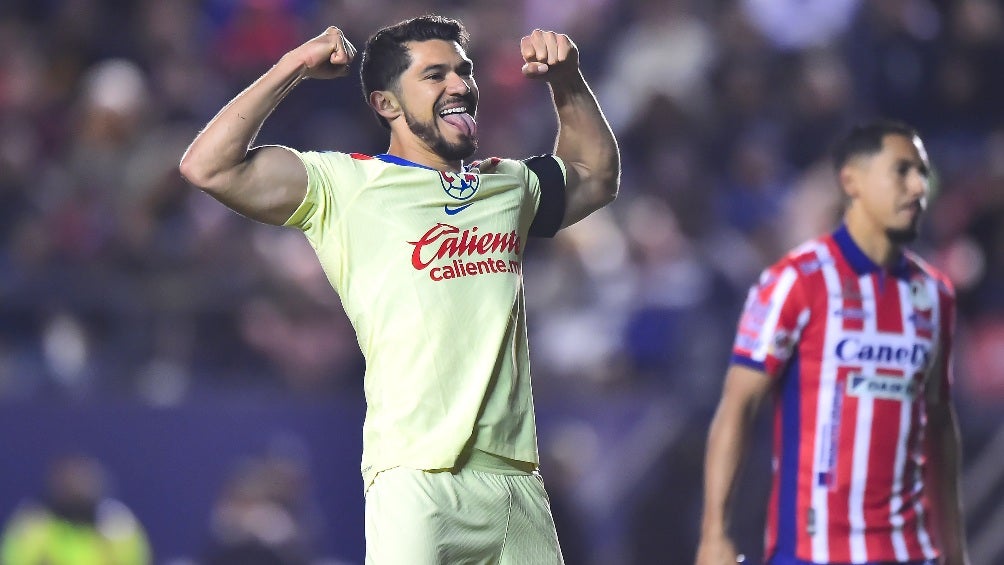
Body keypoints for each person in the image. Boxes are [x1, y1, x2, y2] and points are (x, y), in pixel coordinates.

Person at [179, 14, 619, 564]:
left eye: (463, 72)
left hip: (515, 483)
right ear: (387, 104)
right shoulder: (346, 186)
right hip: (415, 479)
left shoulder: (507, 184)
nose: (460, 85)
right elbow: (207, 167)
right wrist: (293, 65)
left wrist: (566, 82)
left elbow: (596, 174)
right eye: (435, 75)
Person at [695, 120, 970, 565]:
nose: (920, 185)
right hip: (812, 552)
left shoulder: (934, 295)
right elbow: (738, 406)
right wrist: (714, 535)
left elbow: (939, 425)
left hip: (910, 554)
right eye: (902, 171)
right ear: (852, 181)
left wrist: (955, 550)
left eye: (923, 172)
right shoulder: (793, 283)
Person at [0, 454, 151, 565]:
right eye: (69, 483)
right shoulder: (34, 522)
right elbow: (12, 560)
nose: (76, 489)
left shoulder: (117, 524)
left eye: (82, 482)